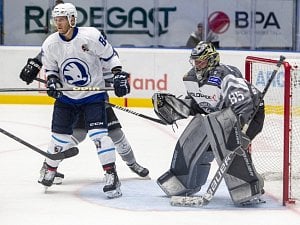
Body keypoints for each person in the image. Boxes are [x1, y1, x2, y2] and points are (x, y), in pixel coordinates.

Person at [19, 8, 149, 185]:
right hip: (70, 98)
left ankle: (130, 165)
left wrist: (119, 78)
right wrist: (50, 79)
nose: (58, 23)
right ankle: (49, 166)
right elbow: (50, 63)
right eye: (56, 19)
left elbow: (112, 64)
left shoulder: (93, 40)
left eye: (62, 19)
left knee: (112, 133)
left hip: (93, 97)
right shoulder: (52, 43)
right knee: (72, 136)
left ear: (72, 20)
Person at [152, 41, 265, 205]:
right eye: (195, 61)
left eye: (201, 61)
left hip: (250, 114)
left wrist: (239, 130)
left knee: (229, 147)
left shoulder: (226, 76)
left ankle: (247, 185)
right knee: (197, 139)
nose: (197, 65)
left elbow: (244, 103)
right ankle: (183, 180)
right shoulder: (191, 78)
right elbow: (200, 105)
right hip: (219, 117)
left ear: (211, 60)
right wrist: (176, 108)